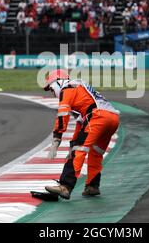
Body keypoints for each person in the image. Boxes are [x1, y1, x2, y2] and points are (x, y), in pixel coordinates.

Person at [43, 69, 120, 200]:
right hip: (112, 118)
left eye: (51, 89)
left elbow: (63, 115)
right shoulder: (80, 87)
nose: (52, 93)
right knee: (95, 152)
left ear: (58, 82)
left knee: (77, 150)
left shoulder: (67, 89)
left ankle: (65, 186)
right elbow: (81, 122)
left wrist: (57, 138)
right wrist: (72, 142)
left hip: (97, 116)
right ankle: (92, 186)